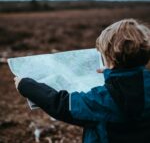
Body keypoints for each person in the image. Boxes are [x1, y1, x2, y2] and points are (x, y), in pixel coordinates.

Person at [14, 19, 150, 143]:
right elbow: (131, 82)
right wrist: (110, 72)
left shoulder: (102, 99)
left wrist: (26, 85)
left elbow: (62, 105)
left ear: (110, 59)